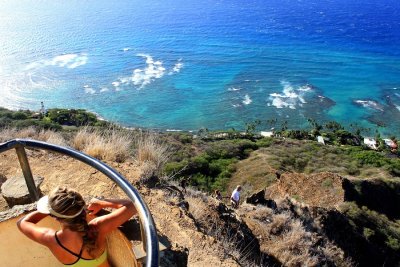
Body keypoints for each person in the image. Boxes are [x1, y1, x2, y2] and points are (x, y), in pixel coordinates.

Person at [17, 187, 136, 267]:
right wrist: (102, 202)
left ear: (55, 217)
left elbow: (21, 222)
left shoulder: (51, 239)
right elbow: (133, 205)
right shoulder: (98, 228)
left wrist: (51, 210)